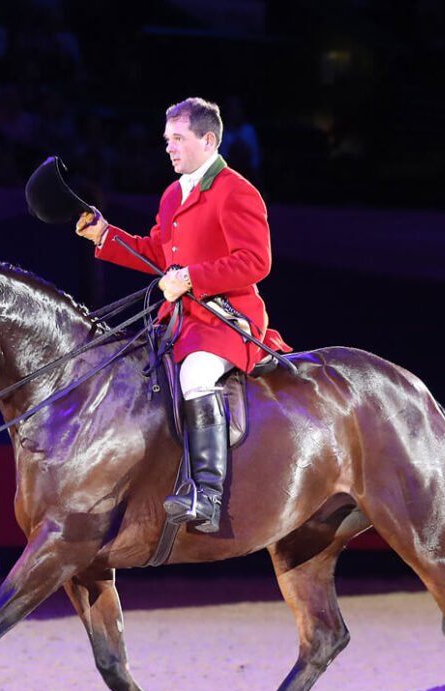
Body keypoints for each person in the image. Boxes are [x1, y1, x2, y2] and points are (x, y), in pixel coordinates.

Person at [75, 96, 290, 533]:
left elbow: (256, 262)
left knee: (194, 376)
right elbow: (158, 252)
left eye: (178, 139)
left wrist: (191, 278)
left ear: (208, 140)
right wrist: (106, 235)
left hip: (225, 319)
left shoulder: (236, 190)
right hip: (181, 320)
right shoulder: (174, 194)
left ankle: (206, 495)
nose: (169, 148)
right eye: (167, 139)